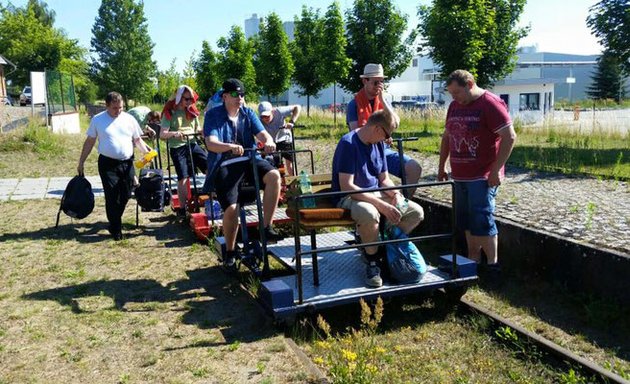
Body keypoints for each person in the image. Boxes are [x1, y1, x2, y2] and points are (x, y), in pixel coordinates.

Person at [332, 94, 425, 288]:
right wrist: (382, 204)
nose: (388, 139)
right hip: (350, 197)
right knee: (370, 213)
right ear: (376, 128)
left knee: (416, 212)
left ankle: (382, 245)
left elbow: (384, 179)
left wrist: (395, 193)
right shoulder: (348, 144)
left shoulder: (378, 144)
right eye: (387, 134)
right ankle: (372, 262)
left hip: (373, 193)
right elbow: (347, 186)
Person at [437, 69, 517, 271]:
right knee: (465, 220)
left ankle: (492, 264)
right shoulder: (455, 106)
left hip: (482, 175)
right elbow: (447, 137)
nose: (454, 98)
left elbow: (509, 137)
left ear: (470, 84)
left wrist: (495, 170)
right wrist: (442, 166)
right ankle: (473, 260)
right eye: (451, 94)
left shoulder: (490, 103)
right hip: (460, 175)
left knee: (482, 219)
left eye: (457, 93)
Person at [204, 78, 283, 268]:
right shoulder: (213, 115)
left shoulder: (248, 113)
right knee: (231, 209)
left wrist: (269, 141)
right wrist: (229, 147)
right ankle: (230, 251)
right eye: (234, 94)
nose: (239, 98)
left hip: (249, 160)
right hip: (225, 164)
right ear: (224, 96)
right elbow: (211, 143)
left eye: (241, 94)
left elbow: (262, 134)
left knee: (274, 176)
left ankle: (266, 227)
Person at [77, 91, 151, 241]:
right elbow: (90, 142)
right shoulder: (98, 120)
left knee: (125, 194)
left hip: (127, 162)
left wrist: (146, 151)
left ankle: (114, 220)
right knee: (112, 196)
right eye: (114, 108)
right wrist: (81, 162)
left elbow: (137, 140)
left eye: (121, 108)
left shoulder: (129, 119)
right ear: (107, 105)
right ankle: (115, 227)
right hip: (107, 164)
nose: (118, 111)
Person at [346, 63, 423, 196]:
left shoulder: (383, 102)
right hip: (363, 154)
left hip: (383, 150)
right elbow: (357, 133)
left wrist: (382, 100)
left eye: (382, 82)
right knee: (375, 181)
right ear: (365, 81)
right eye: (376, 82)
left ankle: (403, 205)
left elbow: (396, 123)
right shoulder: (353, 105)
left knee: (414, 168)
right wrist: (381, 135)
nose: (379, 86)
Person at [161, 85, 207, 215]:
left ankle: (212, 197)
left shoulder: (192, 111)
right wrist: (174, 133)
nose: (189, 102)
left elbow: (197, 129)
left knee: (210, 167)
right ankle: (182, 208)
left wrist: (203, 132)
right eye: (187, 99)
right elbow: (163, 134)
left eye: (191, 99)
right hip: (177, 147)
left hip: (192, 143)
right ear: (179, 98)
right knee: (183, 177)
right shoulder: (169, 112)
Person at [258, 101, 301, 176]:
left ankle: (294, 184)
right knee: (270, 162)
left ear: (273, 111)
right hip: (270, 142)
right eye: (263, 116)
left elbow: (297, 107)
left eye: (267, 116)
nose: (265, 118)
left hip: (284, 138)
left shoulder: (280, 111)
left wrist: (292, 122)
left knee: (289, 164)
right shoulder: (258, 120)